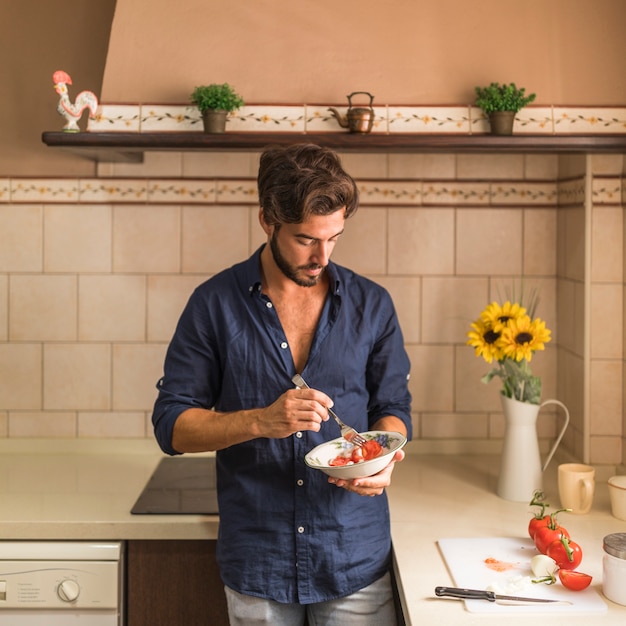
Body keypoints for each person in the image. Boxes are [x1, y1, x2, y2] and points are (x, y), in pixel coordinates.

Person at [152, 143, 412, 625]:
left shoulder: (372, 305)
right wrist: (259, 420)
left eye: (333, 238)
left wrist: (384, 459)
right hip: (259, 559)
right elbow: (171, 425)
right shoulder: (213, 304)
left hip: (353, 554)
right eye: (305, 239)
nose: (321, 256)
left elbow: (393, 406)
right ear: (267, 221)